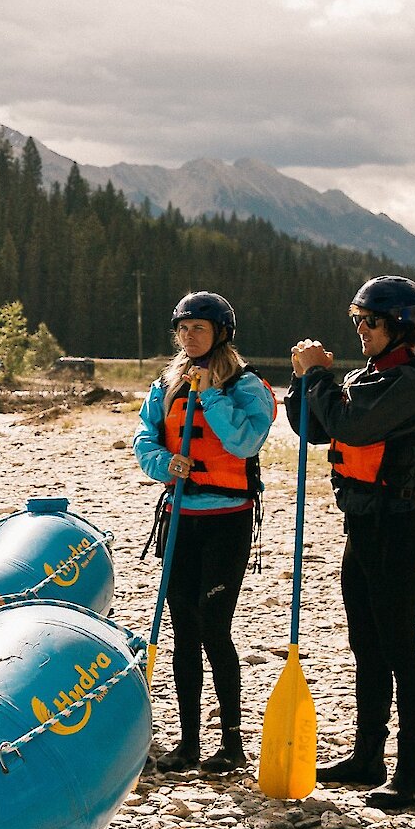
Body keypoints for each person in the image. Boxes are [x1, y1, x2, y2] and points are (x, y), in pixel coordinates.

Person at [287, 276, 415, 810]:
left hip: (397, 529)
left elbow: (354, 426)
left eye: (370, 321)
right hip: (363, 527)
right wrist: (305, 383)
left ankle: (413, 773)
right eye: (358, 321)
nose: (361, 330)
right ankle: (369, 756)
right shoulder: (371, 376)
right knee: (367, 647)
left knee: (399, 651)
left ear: (401, 327)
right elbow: (319, 429)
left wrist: (320, 374)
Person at [133, 292, 277, 774]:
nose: (189, 336)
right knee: (183, 630)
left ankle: (233, 743)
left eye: (199, 328)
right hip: (181, 515)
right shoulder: (166, 385)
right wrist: (162, 462)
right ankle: (188, 741)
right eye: (183, 328)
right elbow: (145, 438)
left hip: (226, 520)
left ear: (220, 333)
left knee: (214, 627)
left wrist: (210, 393)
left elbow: (245, 440)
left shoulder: (246, 385)